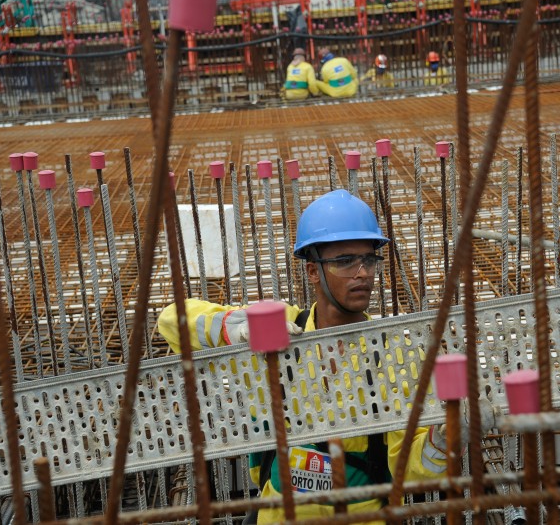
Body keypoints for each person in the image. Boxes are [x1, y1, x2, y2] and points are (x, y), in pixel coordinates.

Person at [158, 190, 490, 523]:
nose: (362, 273)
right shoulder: (281, 332)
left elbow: (414, 472)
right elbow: (171, 321)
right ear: (313, 271)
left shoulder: (394, 353)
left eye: (369, 259)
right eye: (345, 261)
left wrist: (446, 437)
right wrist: (235, 329)